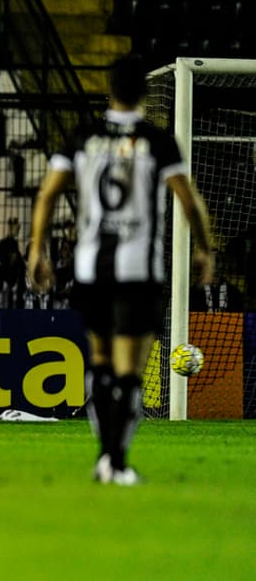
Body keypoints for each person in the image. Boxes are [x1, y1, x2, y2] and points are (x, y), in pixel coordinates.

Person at [28, 55, 215, 486]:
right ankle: (116, 460)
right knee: (130, 370)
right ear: (146, 94)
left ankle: (104, 459)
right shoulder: (159, 141)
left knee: (100, 365)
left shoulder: (82, 136)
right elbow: (188, 200)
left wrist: (37, 249)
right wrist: (204, 248)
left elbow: (47, 194)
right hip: (138, 272)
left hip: (91, 271)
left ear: (109, 90)